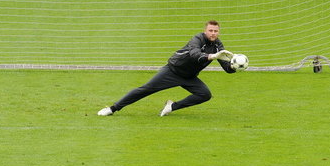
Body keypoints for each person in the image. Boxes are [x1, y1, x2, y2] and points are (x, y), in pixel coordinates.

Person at [98, 20, 236, 117]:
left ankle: (172, 106)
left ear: (219, 32)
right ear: (205, 31)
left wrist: (235, 65)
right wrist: (212, 56)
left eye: (216, 31)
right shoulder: (197, 39)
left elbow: (227, 68)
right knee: (145, 90)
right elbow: (195, 54)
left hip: (189, 77)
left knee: (205, 94)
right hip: (172, 72)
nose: (213, 33)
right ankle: (112, 108)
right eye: (210, 31)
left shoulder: (218, 46)